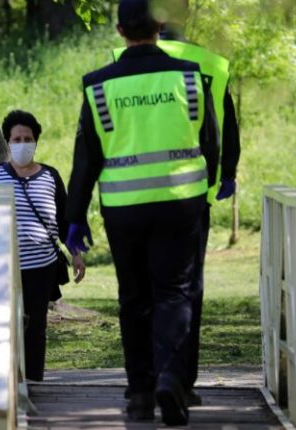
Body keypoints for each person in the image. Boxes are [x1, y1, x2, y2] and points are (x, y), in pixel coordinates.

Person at [65, 0, 219, 425]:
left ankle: (138, 395)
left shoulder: (99, 86)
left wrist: (74, 217)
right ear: (159, 25)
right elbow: (210, 142)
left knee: (133, 297)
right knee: (175, 292)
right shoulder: (190, 77)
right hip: (180, 202)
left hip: (124, 208)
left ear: (118, 30)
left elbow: (86, 160)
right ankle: (171, 378)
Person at [112, 0, 241, 407]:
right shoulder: (211, 64)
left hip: (129, 194)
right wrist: (225, 175)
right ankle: (181, 379)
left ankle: (144, 383)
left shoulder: (121, 58)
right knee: (185, 291)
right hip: (189, 195)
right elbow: (223, 128)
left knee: (140, 292)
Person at [0, 110, 86, 382]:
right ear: (8, 142)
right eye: (17, 139)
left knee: (36, 328)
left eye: (28, 138)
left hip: (41, 266)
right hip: (2, 267)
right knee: (4, 326)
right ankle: (5, 383)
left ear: (36, 141)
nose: (22, 143)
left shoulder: (50, 176)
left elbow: (65, 222)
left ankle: (34, 381)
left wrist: (77, 255)